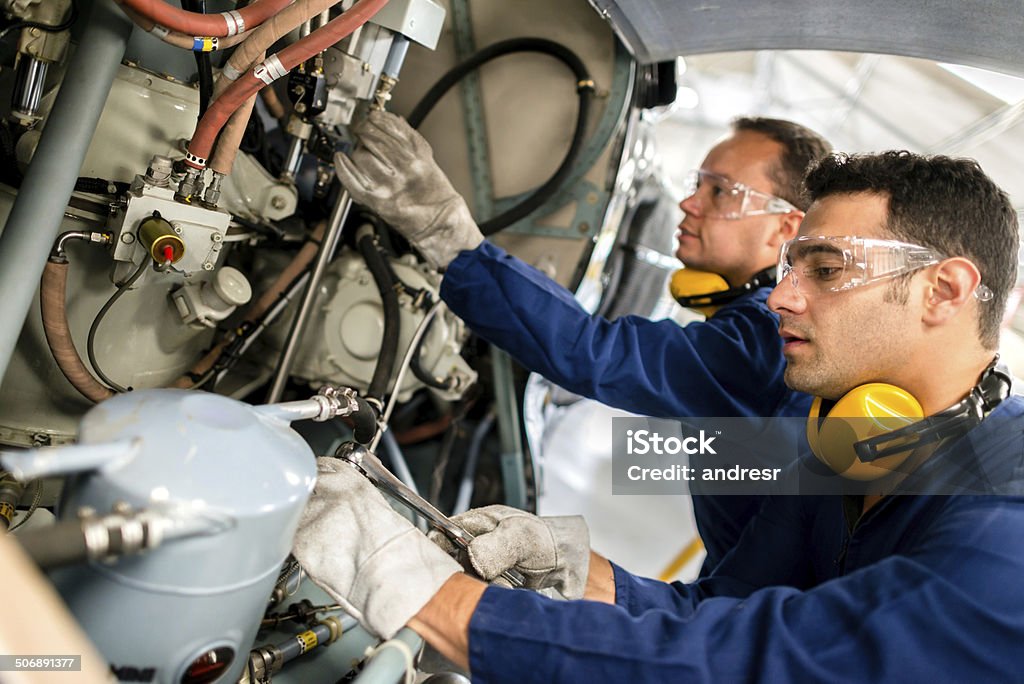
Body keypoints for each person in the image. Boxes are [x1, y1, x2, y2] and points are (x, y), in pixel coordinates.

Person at [294, 150, 1024, 680]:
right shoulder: (843, 453)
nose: (780, 298)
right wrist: (577, 570)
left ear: (944, 291)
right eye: (793, 268)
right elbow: (723, 607)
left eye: (827, 270)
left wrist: (424, 595)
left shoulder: (1006, 523)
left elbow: (757, 664)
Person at [334, 110, 831, 570]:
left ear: (784, 228)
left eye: (720, 190)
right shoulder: (760, 329)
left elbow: (596, 352)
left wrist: (448, 235)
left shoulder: (766, 338)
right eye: (696, 183)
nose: (689, 202)